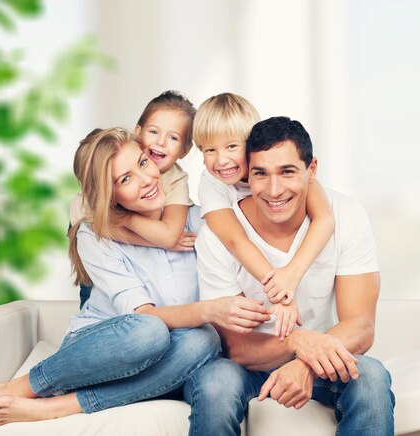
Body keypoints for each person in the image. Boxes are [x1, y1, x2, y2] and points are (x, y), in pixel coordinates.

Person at [0, 128, 270, 435]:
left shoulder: (200, 221)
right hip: (101, 352)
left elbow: (263, 204)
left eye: (143, 163)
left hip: (175, 359)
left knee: (206, 343)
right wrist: (209, 310)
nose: (146, 180)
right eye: (126, 179)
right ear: (109, 194)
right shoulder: (96, 235)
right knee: (150, 331)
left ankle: (60, 407)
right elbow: (143, 317)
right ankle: (16, 389)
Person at [185, 117, 395, 436]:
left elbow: (361, 327)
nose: (274, 190)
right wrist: (298, 341)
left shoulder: (346, 214)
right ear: (246, 174)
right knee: (215, 382)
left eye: (287, 172)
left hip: (324, 358)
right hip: (247, 366)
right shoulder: (217, 235)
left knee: (371, 376)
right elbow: (237, 347)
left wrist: (307, 362)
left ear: (311, 170)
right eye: (260, 174)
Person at [193, 93, 335, 339]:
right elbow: (236, 240)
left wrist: (292, 273)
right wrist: (280, 292)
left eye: (231, 147)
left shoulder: (286, 169)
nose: (221, 160)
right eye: (209, 150)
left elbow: (325, 220)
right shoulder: (211, 184)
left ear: (251, 145)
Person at [70, 90, 198, 308]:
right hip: (101, 252)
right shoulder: (99, 183)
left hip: (134, 245)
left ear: (185, 150)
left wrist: (123, 219)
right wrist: (125, 221)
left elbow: (168, 236)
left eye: (173, 137)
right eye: (154, 131)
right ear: (138, 133)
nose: (160, 142)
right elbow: (92, 228)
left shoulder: (175, 179)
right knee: (95, 292)